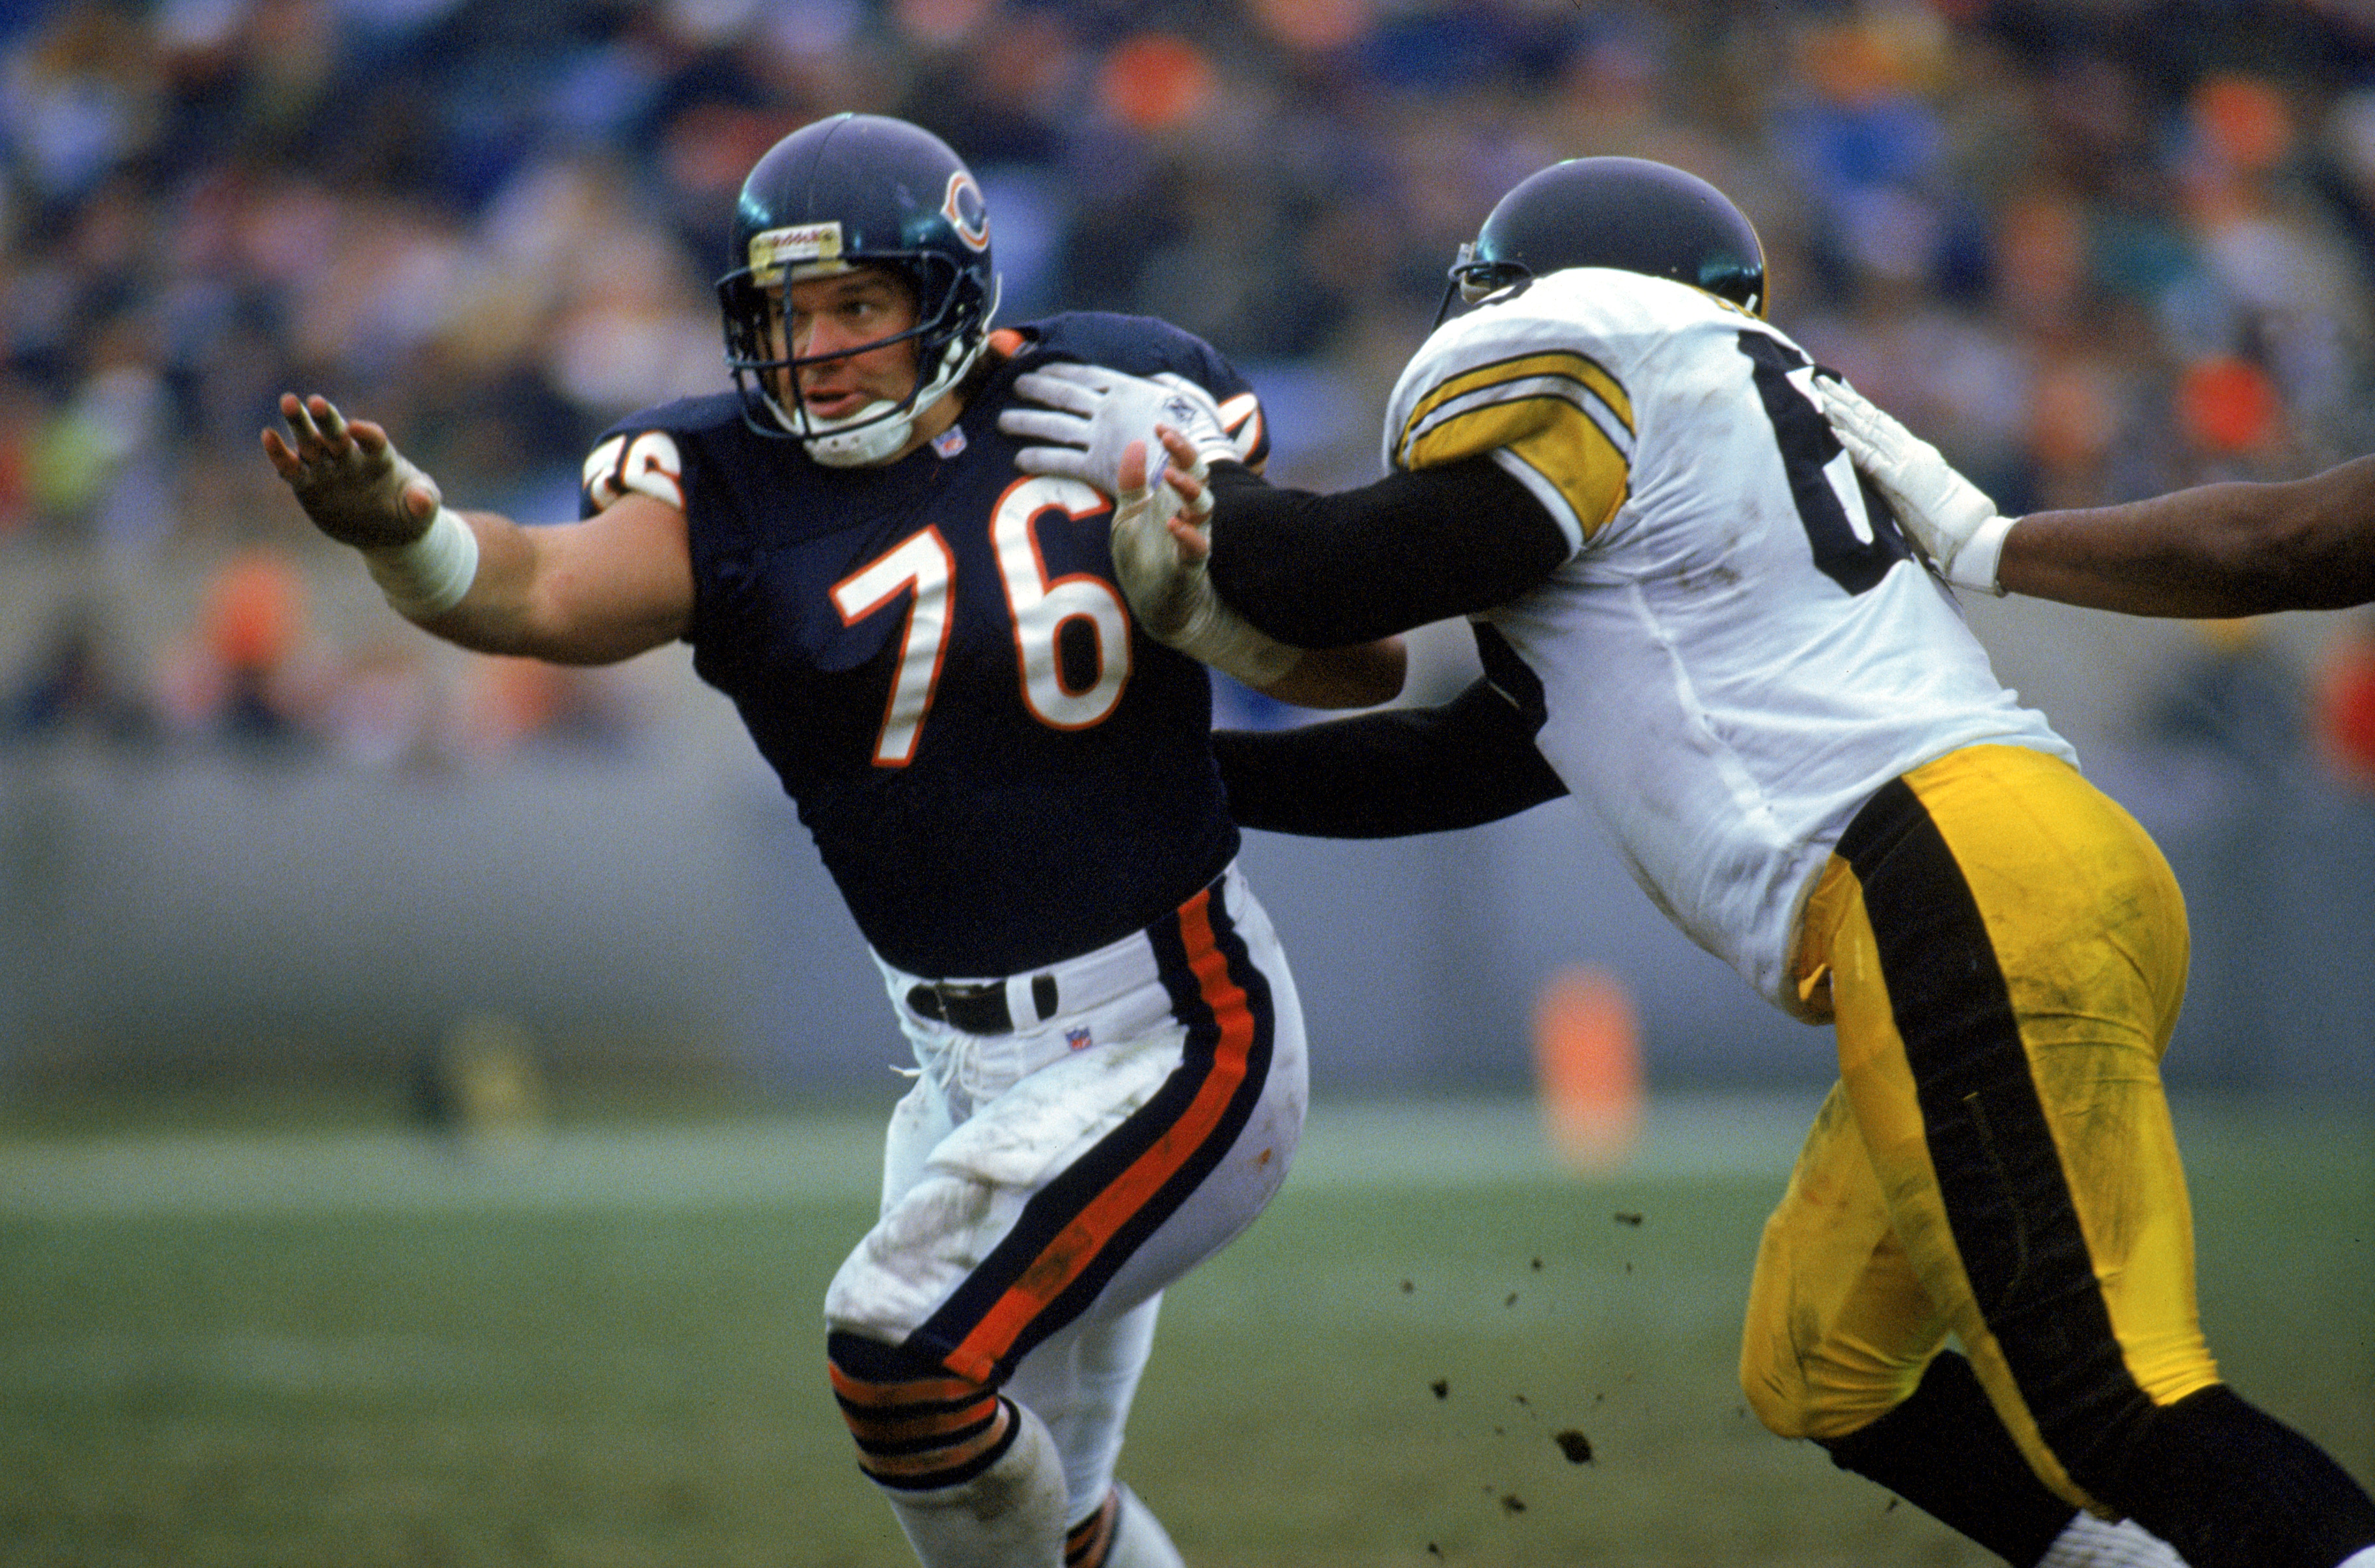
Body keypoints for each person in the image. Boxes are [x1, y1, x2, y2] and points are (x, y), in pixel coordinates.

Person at [999, 155, 2375, 1568]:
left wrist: (1190, 482)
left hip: (1951, 877)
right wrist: (1170, 781)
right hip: (2025, 864)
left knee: (2113, 1398)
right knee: (1829, 1363)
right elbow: (1474, 755)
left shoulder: (1595, 341)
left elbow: (1343, 578)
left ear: (1512, 289)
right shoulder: (1694, 467)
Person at [262, 112, 1403, 1568]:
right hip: (959, 1068)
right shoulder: (727, 481)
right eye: (786, 310)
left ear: (954, 289)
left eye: (855, 301)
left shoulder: (1114, 393)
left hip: (1178, 1029)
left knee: (902, 1360)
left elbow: (1357, 661)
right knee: (1054, 1514)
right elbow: (539, 588)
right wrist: (405, 530)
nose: (816, 345)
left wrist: (1200, 588)